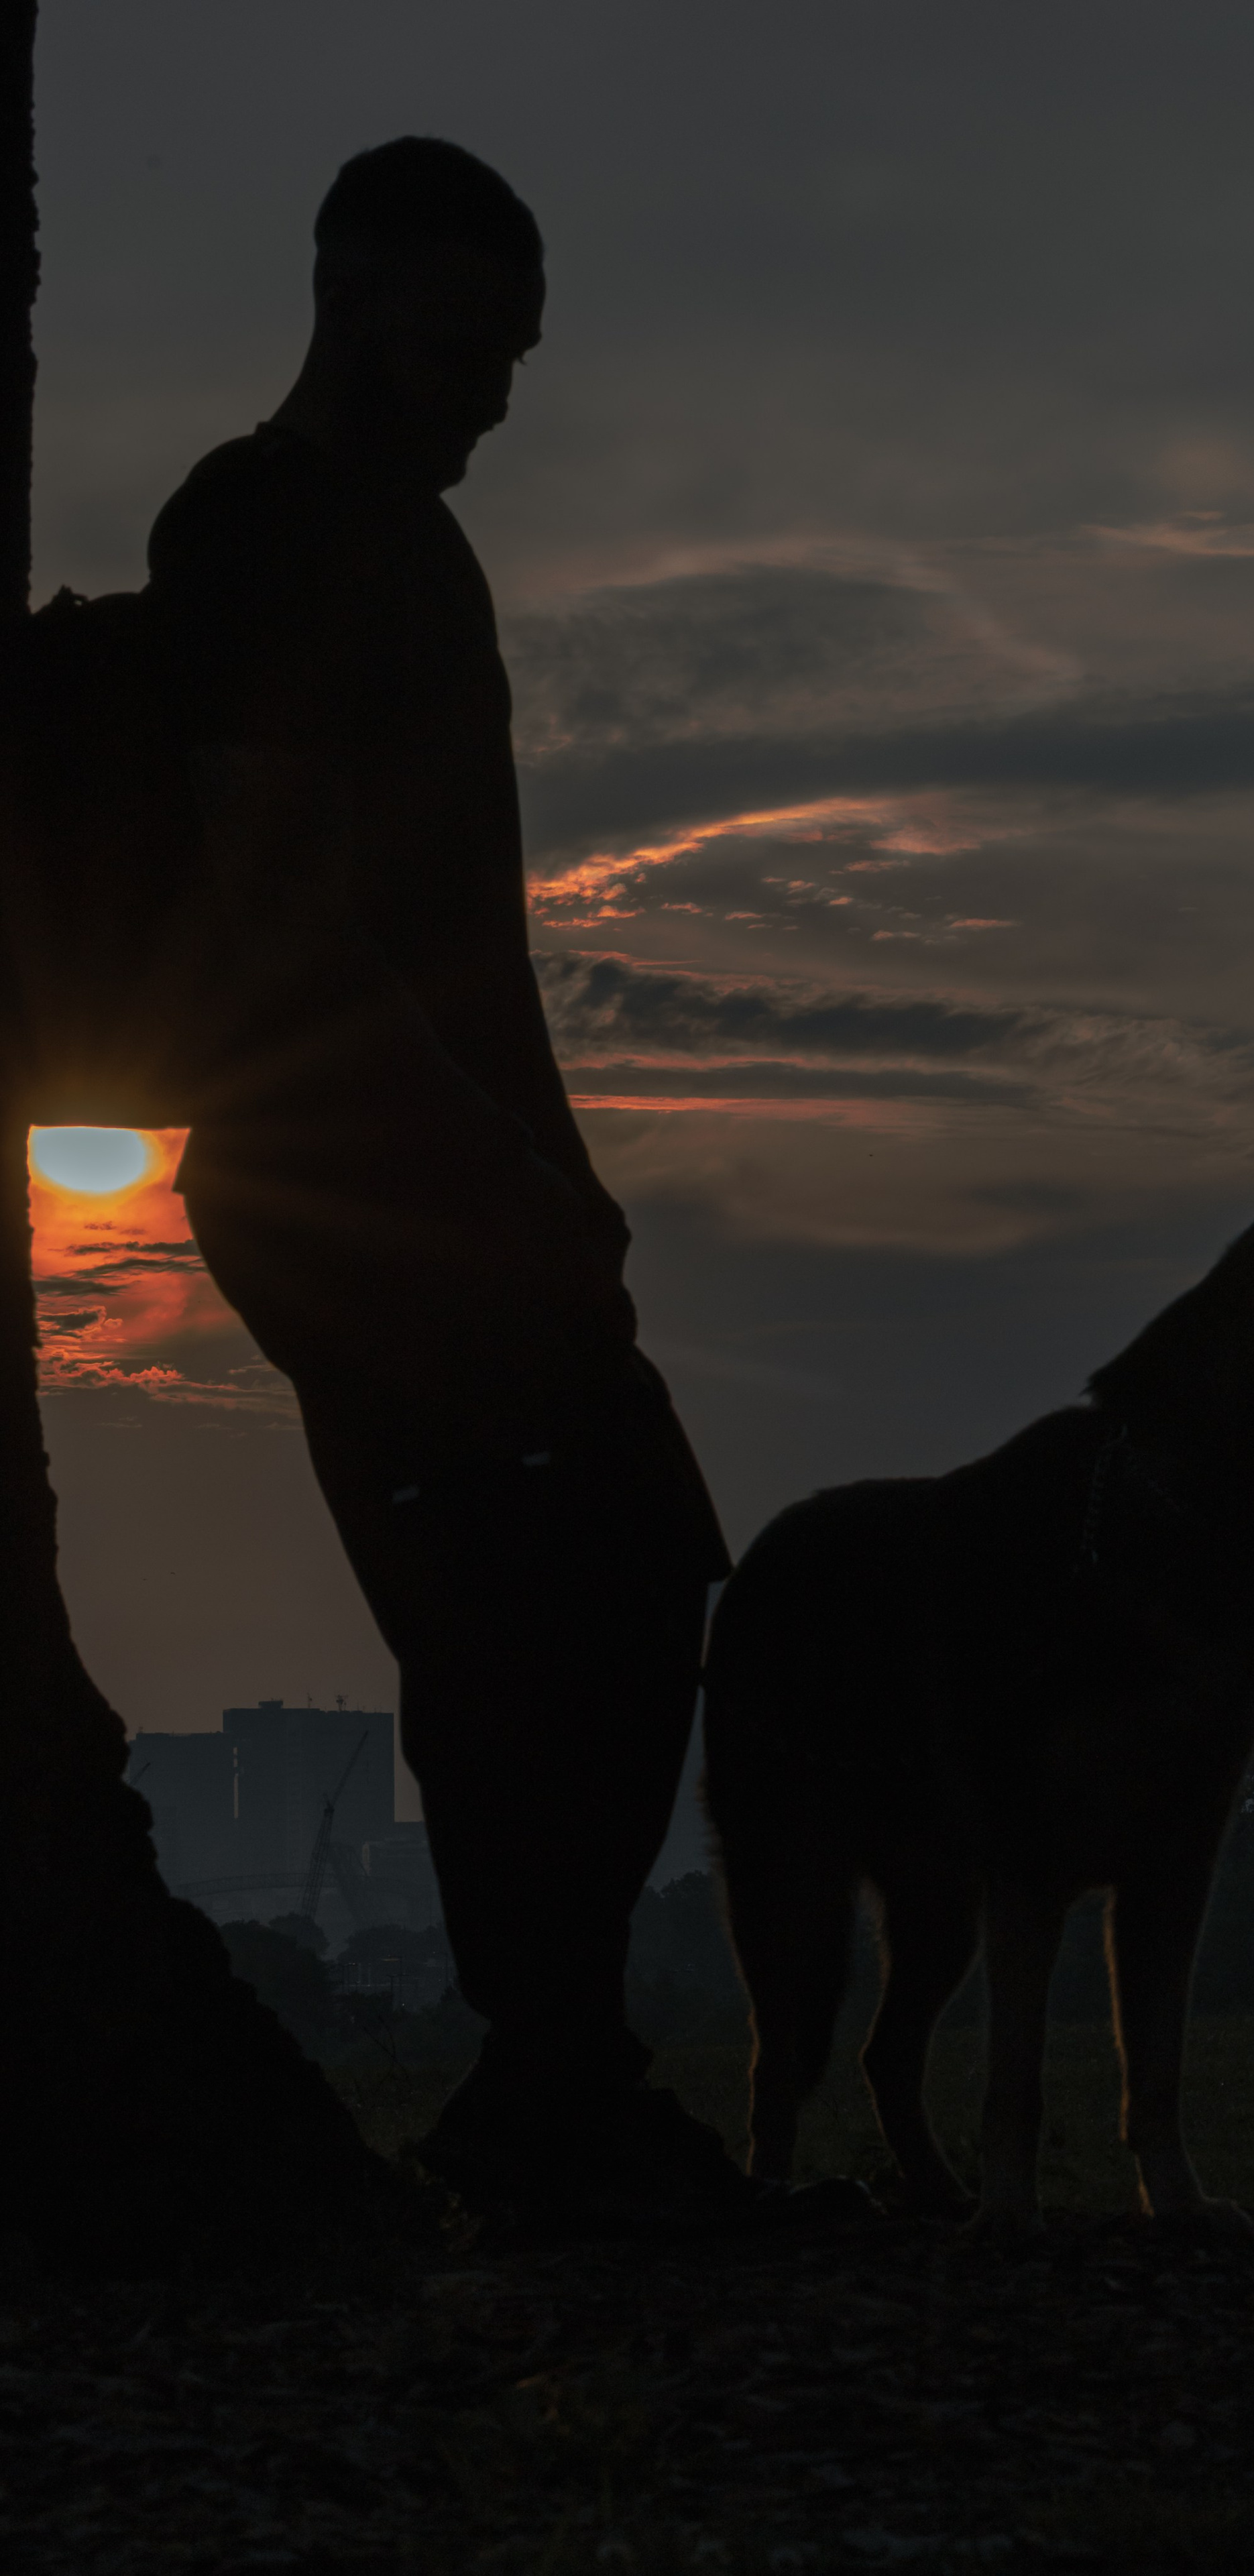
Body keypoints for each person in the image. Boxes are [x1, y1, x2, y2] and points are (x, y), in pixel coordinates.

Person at [146, 136, 748, 2220]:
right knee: (509, 1612)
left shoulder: (423, 550)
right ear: (343, 304)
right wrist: (481, 1151)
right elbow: (275, 881)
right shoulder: (251, 521)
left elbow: (464, 928)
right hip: (349, 1180)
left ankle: (552, 2075)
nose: (493, 395)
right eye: (456, 349)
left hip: (466, 1172)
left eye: (512, 359)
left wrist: (543, 1159)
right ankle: (549, 2091)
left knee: (627, 1561)